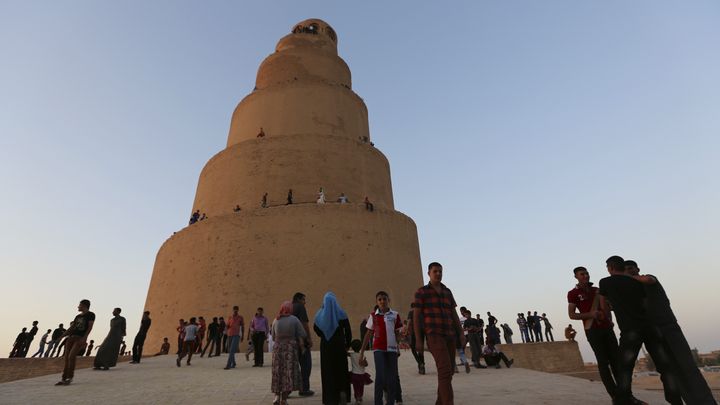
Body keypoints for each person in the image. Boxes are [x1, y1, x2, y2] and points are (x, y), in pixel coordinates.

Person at [625, 260, 716, 404]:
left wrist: (625, 278)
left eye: (631, 268)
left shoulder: (648, 278)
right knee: (673, 371)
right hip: (653, 333)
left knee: (687, 367)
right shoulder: (632, 291)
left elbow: (648, 279)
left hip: (668, 327)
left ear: (637, 269)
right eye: (625, 270)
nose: (629, 271)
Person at [599, 256, 681, 405]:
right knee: (664, 366)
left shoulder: (605, 282)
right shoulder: (636, 281)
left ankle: (624, 399)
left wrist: (609, 316)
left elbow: (604, 305)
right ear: (623, 267)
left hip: (630, 330)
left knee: (624, 367)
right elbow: (644, 303)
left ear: (610, 267)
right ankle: (675, 399)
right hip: (650, 327)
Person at [413, 262, 464, 405]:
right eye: (435, 271)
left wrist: (460, 333)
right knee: (445, 370)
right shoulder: (421, 292)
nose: (438, 274)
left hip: (449, 334)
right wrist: (418, 339)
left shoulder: (447, 291)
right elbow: (416, 317)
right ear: (428, 273)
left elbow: (453, 313)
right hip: (434, 334)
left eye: (440, 271)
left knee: (448, 372)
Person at [568, 266, 622, 402]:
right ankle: (614, 395)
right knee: (603, 362)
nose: (585, 276)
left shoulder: (597, 290)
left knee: (616, 361)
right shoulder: (573, 293)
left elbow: (608, 307)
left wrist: (609, 318)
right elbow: (572, 315)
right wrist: (590, 314)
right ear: (576, 276)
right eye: (582, 274)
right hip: (592, 329)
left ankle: (625, 392)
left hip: (607, 328)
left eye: (586, 273)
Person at [360, 291, 403, 405]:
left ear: (388, 300)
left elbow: (397, 333)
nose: (382, 301)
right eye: (380, 299)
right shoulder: (373, 316)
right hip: (378, 349)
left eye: (384, 299)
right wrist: (362, 352)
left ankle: (390, 402)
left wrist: (400, 340)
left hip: (392, 349)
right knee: (380, 376)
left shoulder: (395, 315)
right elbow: (368, 334)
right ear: (376, 302)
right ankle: (378, 402)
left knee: (392, 377)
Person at [314, 292, 352, 405]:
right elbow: (348, 332)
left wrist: (324, 334)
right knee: (341, 369)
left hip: (326, 347)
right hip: (340, 346)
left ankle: (330, 398)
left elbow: (316, 330)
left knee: (328, 371)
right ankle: (342, 392)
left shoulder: (319, 315)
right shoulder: (342, 313)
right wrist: (347, 345)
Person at [271, 301, 307, 405]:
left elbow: (273, 337)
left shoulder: (276, 320)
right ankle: (284, 399)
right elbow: (302, 333)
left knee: (278, 372)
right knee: (288, 373)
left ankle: (276, 397)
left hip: (278, 349)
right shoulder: (294, 319)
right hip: (290, 349)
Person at [56, 299, 95, 385]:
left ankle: (69, 378)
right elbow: (72, 328)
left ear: (84, 305)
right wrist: (62, 336)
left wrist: (85, 338)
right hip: (71, 338)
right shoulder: (77, 316)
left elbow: (90, 327)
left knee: (71, 357)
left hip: (79, 338)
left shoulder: (91, 315)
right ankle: (64, 378)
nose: (78, 306)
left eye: (79, 305)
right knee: (66, 358)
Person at [292, 292, 314, 397]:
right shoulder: (300, 307)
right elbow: (304, 323)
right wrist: (308, 338)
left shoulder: (289, 307)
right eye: (304, 300)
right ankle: (304, 389)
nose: (305, 302)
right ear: (299, 299)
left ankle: (287, 389)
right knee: (306, 365)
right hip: (301, 341)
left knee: (290, 366)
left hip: (290, 342)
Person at [349, 339, 373, 404]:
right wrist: (364, 362)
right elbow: (366, 364)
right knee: (361, 387)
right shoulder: (362, 355)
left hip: (354, 375)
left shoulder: (351, 355)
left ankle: (357, 398)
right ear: (360, 347)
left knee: (355, 387)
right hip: (362, 375)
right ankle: (360, 397)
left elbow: (346, 353)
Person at [406, 307, 425, 374]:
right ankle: (422, 368)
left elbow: (409, 322)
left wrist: (406, 332)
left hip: (414, 332)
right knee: (421, 350)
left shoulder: (411, 312)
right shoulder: (422, 311)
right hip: (422, 332)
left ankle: (420, 363)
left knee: (413, 349)